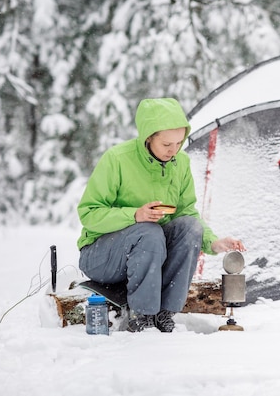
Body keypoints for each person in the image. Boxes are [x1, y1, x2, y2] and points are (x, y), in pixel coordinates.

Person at [77, 97, 245, 333]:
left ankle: (165, 313)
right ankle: (143, 315)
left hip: (150, 254)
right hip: (102, 256)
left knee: (190, 228)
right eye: (167, 144)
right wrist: (134, 215)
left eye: (178, 143)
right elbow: (89, 213)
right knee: (149, 232)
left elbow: (187, 212)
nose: (173, 150)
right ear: (149, 137)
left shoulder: (180, 163)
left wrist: (213, 242)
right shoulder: (117, 160)